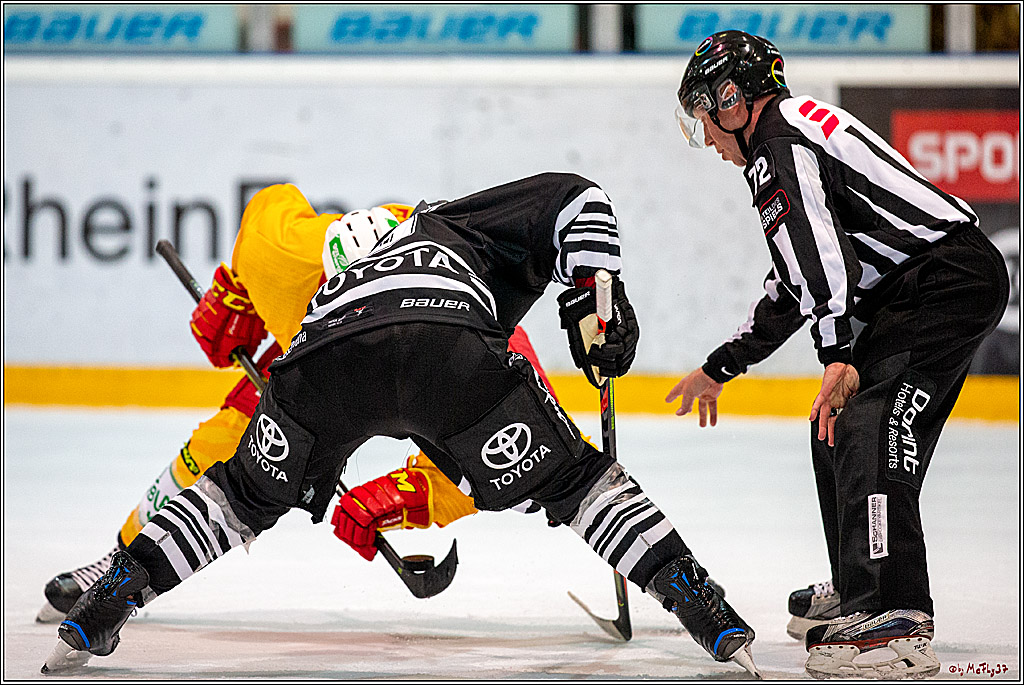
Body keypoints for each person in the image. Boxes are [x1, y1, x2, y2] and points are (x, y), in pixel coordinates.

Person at [43, 173, 760, 677]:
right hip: (446, 350)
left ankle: (115, 590)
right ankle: (703, 605)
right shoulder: (449, 236)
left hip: (323, 356)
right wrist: (594, 300)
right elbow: (500, 438)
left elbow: (260, 220)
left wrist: (404, 491)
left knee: (234, 489)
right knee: (573, 477)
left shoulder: (288, 252)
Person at [666, 31, 1009, 679]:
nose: (707, 138)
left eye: (706, 117)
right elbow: (795, 282)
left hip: (943, 282)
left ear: (734, 101)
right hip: (929, 283)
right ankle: (860, 582)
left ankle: (896, 613)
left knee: (868, 421)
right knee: (836, 426)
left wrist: (837, 353)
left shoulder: (777, 147)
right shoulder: (791, 131)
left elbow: (826, 266)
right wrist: (722, 366)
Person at [37, 185, 546, 622]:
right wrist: (238, 297)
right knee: (231, 435)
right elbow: (268, 209)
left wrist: (411, 494)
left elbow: (528, 451)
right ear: (328, 285)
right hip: (318, 342)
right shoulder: (286, 260)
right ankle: (117, 564)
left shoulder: (478, 333)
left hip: (429, 349)